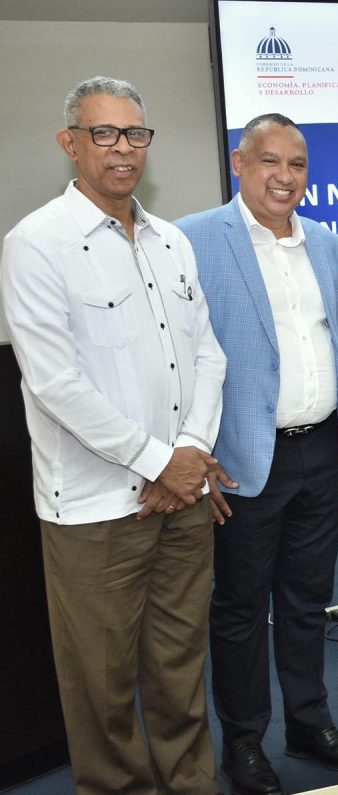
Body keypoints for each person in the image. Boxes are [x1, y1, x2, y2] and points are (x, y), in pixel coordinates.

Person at [0, 76, 226, 795]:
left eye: (135, 134)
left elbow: (207, 353)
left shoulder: (170, 241)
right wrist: (162, 461)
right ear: (70, 144)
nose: (123, 148)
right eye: (104, 133)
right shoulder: (36, 244)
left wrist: (188, 455)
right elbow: (56, 384)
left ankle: (191, 784)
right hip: (98, 512)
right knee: (102, 690)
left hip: (182, 499)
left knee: (181, 668)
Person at [176, 114, 338, 795]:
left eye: (297, 164)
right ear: (239, 162)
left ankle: (309, 723)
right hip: (239, 462)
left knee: (305, 599)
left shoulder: (327, 242)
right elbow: (178, 359)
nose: (284, 176)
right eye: (269, 161)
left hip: (320, 452)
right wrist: (195, 456)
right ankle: (245, 743)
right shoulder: (195, 238)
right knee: (238, 608)